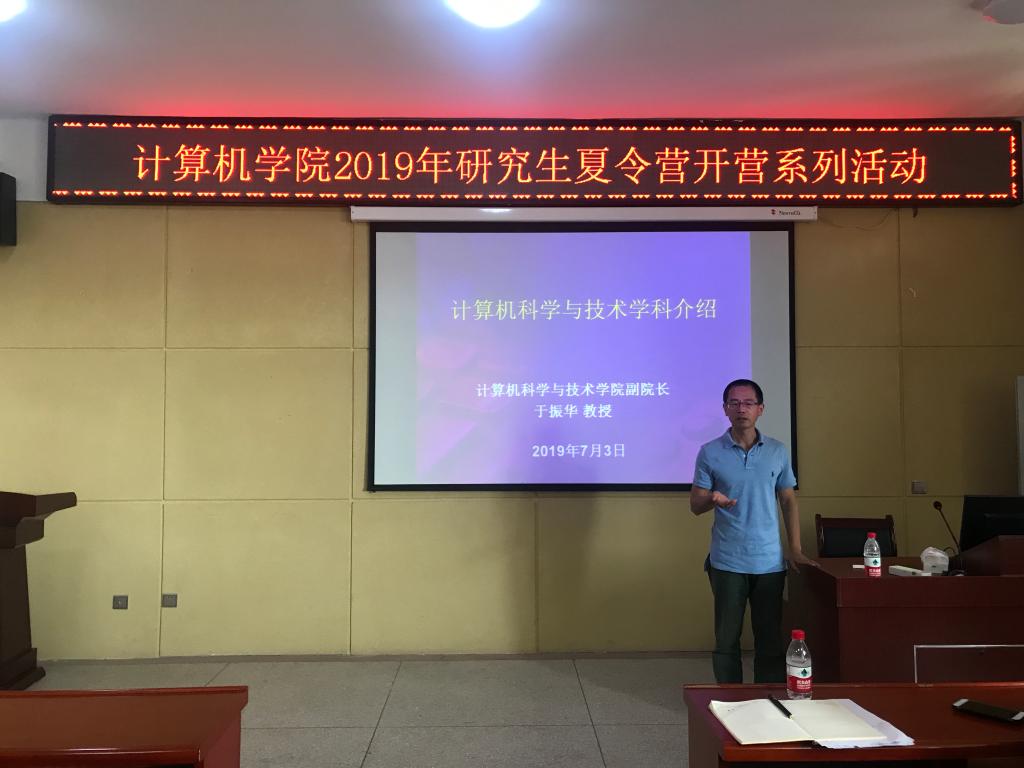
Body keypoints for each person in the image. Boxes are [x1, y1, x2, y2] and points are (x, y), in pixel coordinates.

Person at [690, 378, 817, 684]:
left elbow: (788, 500)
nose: (741, 409)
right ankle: (730, 700)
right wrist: (712, 498)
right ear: (725, 409)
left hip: (769, 562)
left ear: (760, 409)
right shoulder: (710, 452)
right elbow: (695, 505)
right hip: (727, 561)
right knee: (726, 641)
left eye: (748, 403)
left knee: (770, 640)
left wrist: (795, 549)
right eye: (734, 403)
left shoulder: (777, 451)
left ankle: (767, 698)